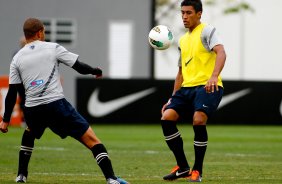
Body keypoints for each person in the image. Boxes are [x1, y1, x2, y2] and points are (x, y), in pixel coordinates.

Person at [0, 17, 129, 184]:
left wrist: (5, 120)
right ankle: (111, 178)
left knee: (29, 133)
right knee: (92, 140)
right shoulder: (53, 48)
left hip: (33, 109)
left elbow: (12, 92)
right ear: (39, 32)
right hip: (56, 105)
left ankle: (21, 176)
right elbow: (78, 66)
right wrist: (95, 70)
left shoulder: (17, 58)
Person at [160, 0, 226, 182]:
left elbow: (221, 52)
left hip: (208, 85)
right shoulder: (182, 40)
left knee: (198, 120)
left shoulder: (207, 31)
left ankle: (197, 170)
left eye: (189, 13)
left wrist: (214, 76)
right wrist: (172, 98)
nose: (184, 16)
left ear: (199, 13)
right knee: (167, 117)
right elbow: (181, 72)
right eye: (182, 13)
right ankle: (182, 167)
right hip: (186, 89)